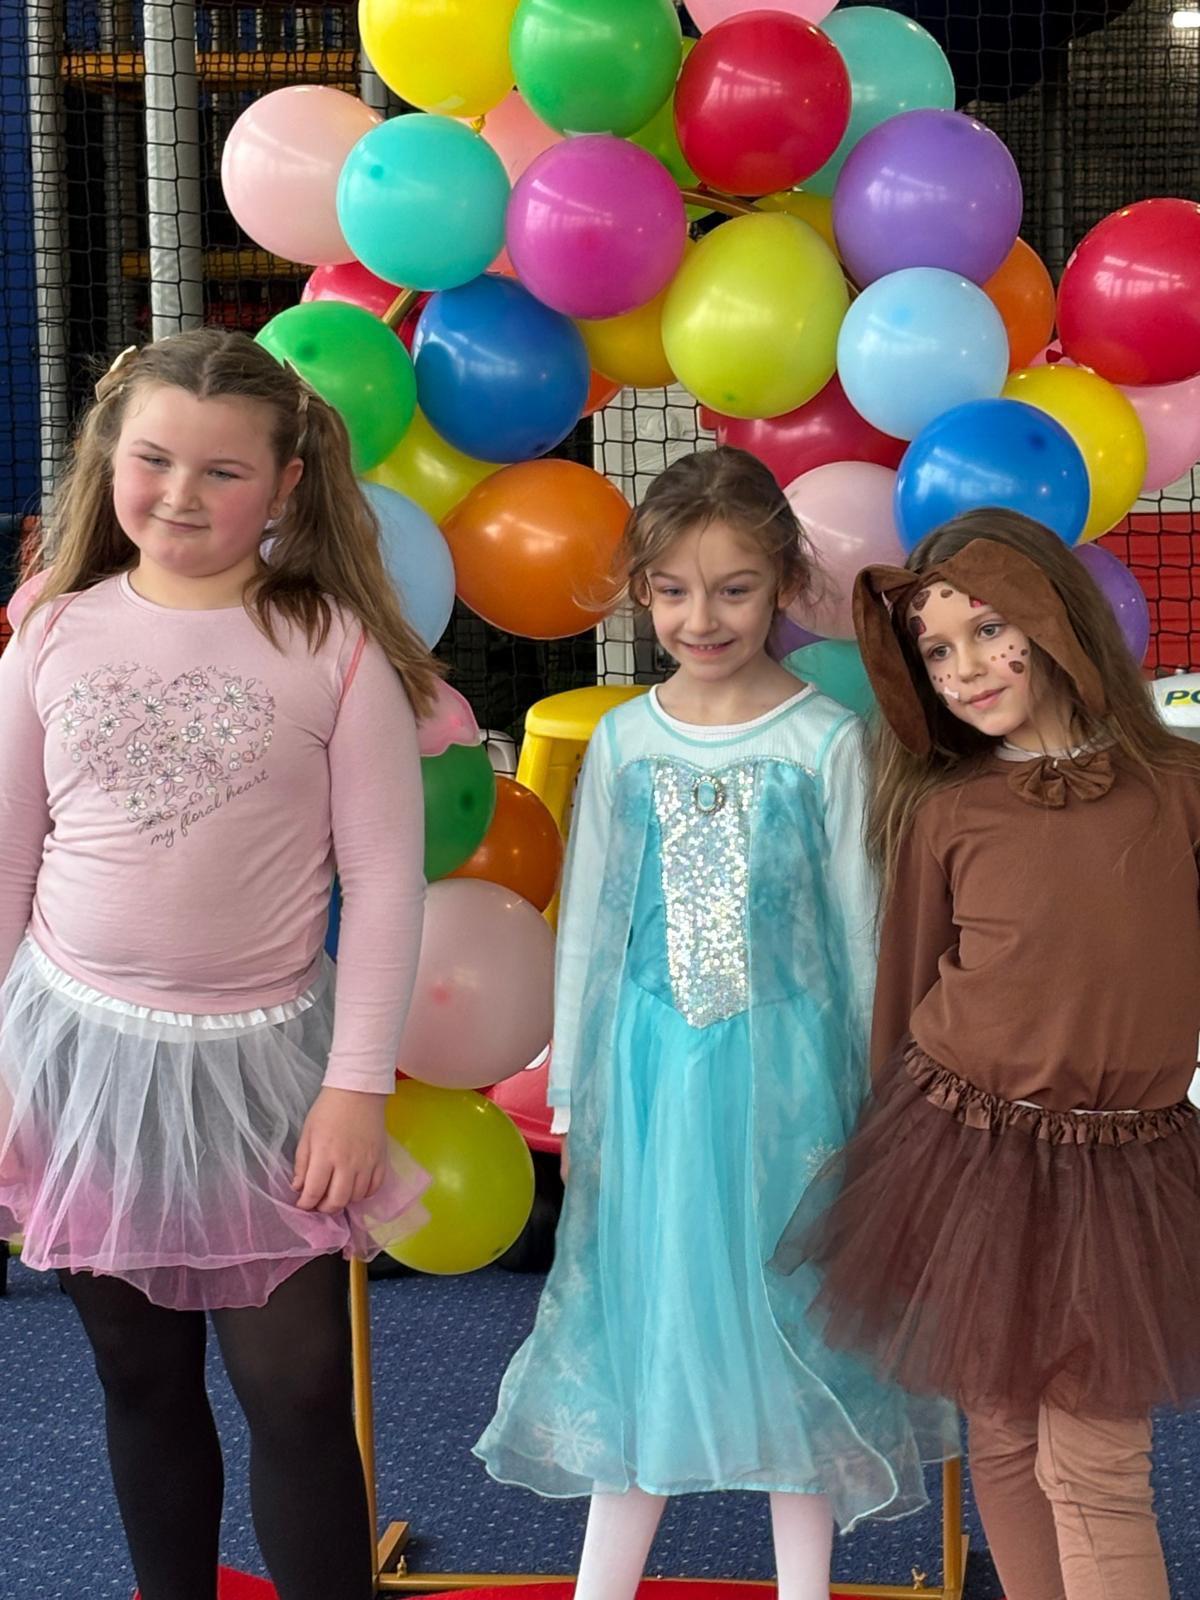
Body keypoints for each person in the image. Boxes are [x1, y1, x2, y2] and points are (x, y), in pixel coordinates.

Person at [0, 329, 440, 1600]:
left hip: (269, 1078)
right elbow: (9, 859)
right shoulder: (52, 633)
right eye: (154, 460)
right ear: (110, 460)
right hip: (77, 1061)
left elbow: (385, 882)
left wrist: (356, 1085)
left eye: (223, 471)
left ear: (287, 483)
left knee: (295, 1388)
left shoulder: (332, 646)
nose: (181, 494)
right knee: (139, 1376)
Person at [475, 447, 951, 1600]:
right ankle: (602, 1581)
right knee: (650, 1311)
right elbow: (592, 922)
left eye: (734, 588)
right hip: (651, 1077)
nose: (703, 617)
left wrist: (877, 1098)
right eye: (676, 590)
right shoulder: (628, 740)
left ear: (782, 583)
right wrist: (575, 1090)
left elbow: (860, 926)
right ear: (641, 590)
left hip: (791, 1080)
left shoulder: (823, 739)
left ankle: (805, 1585)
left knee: (793, 1314)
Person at [774, 508, 1200, 1600]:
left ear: (1053, 619)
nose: (963, 670)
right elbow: (906, 989)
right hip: (965, 1151)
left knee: (1095, 1466)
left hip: (1127, 1167)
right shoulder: (947, 810)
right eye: (936, 651)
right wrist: (886, 1166)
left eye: (988, 631)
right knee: (1003, 1435)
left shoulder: (1179, 788)